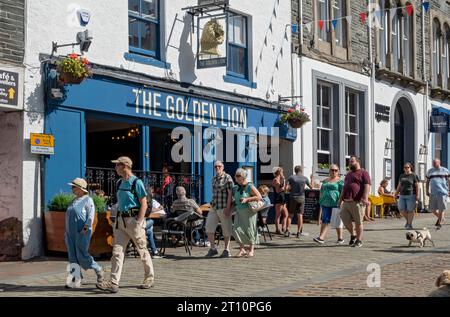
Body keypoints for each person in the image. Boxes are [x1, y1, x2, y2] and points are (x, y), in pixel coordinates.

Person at [96, 156, 154, 293]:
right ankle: (113, 282)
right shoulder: (119, 183)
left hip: (133, 221)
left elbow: (144, 204)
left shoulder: (136, 183)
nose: (115, 168)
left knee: (142, 250)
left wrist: (139, 222)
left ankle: (149, 278)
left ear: (125, 166)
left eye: (117, 165)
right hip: (121, 222)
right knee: (117, 252)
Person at [64, 178, 104, 288]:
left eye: (73, 186)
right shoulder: (72, 201)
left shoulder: (88, 200)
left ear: (80, 189)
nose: (71, 188)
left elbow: (91, 217)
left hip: (82, 232)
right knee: (72, 256)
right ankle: (76, 278)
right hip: (70, 233)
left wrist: (85, 228)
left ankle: (98, 269)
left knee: (82, 255)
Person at [338, 156, 371, 248]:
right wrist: (340, 199)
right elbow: (345, 187)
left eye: (352, 161)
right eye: (349, 162)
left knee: (358, 222)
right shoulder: (348, 174)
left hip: (357, 201)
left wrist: (365, 198)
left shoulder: (363, 173)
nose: (350, 163)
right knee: (344, 219)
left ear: (357, 162)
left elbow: (367, 185)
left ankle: (359, 240)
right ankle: (353, 235)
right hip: (346, 201)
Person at [205, 161, 234, 258]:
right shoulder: (213, 179)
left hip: (224, 206)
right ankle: (213, 249)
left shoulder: (228, 178)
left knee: (226, 229)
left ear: (223, 167)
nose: (217, 168)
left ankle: (227, 250)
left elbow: (230, 194)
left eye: (219, 166)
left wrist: (228, 207)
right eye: (215, 167)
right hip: (214, 206)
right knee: (209, 227)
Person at [232, 168, 262, 257]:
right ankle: (242, 249)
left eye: (238, 176)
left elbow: (259, 196)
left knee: (250, 230)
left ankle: (251, 250)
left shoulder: (250, 186)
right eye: (236, 175)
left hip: (249, 212)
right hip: (239, 211)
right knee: (236, 229)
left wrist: (247, 199)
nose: (236, 177)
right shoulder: (236, 187)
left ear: (243, 177)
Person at [313, 165, 344, 244]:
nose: (334, 172)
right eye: (332, 170)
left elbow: (343, 192)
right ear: (329, 171)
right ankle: (321, 237)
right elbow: (321, 190)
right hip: (325, 203)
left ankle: (340, 238)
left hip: (335, 203)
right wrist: (320, 199)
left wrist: (341, 201)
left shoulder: (340, 181)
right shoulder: (325, 180)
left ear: (338, 172)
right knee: (325, 220)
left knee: (336, 221)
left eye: (336, 170)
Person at [287, 166, 310, 238]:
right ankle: (299, 232)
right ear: (301, 170)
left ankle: (287, 231)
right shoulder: (305, 178)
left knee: (290, 215)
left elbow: (286, 188)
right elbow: (311, 187)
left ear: (295, 170)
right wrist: (312, 179)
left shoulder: (291, 177)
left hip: (293, 197)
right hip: (301, 198)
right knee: (300, 215)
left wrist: (290, 189)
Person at [395, 163, 420, 230]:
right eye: (405, 167)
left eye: (407, 167)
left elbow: (417, 186)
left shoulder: (414, 175)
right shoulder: (401, 176)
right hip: (402, 195)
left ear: (410, 168)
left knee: (410, 210)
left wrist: (417, 195)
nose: (406, 168)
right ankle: (409, 221)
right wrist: (396, 193)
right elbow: (399, 185)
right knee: (401, 209)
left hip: (411, 195)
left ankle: (409, 225)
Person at [426, 158, 450, 229]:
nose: (434, 164)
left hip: (442, 192)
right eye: (433, 163)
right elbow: (427, 182)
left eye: (435, 163)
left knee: (441, 208)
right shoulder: (430, 171)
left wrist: (449, 190)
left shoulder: (445, 170)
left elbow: (449, 181)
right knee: (432, 209)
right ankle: (441, 218)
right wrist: (427, 190)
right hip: (433, 193)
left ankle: (440, 223)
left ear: (439, 162)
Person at [145, 186, 165, 259]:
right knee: (151, 222)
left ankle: (155, 252)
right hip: (137, 225)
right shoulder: (144, 201)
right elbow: (148, 210)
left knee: (150, 230)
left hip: (136, 223)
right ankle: (154, 252)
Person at [272, 167, 288, 235]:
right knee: (278, 215)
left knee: (285, 214)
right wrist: (284, 182)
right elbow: (278, 190)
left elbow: (284, 189)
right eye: (282, 172)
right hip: (278, 199)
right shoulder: (275, 180)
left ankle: (283, 228)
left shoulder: (280, 180)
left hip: (283, 198)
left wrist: (285, 187)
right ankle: (277, 229)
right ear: (279, 173)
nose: (283, 173)